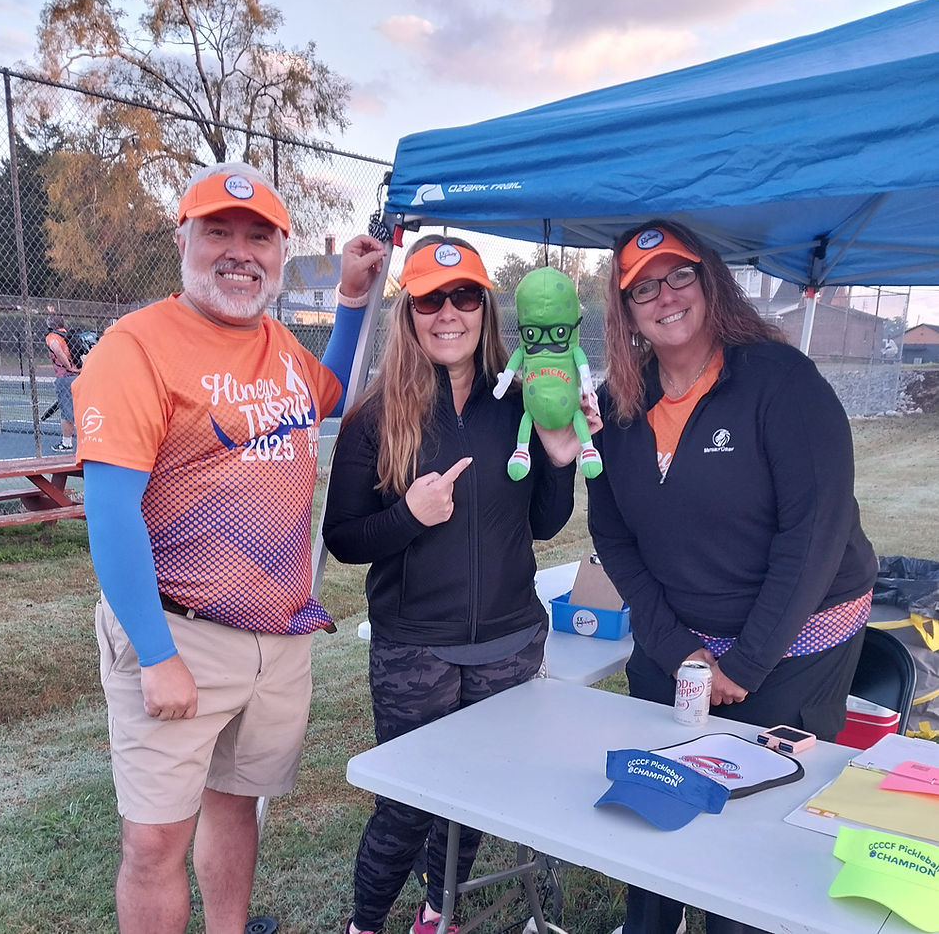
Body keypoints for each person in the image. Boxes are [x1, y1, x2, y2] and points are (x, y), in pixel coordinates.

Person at [72, 160, 386, 934]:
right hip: (179, 629)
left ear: (280, 253)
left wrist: (350, 301)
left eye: (258, 237)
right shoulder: (136, 346)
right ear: (183, 239)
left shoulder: (279, 343)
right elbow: (110, 513)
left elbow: (332, 392)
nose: (239, 252)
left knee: (236, 803)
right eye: (218, 231)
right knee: (153, 839)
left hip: (274, 638)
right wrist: (154, 654)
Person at [588, 221, 878, 934]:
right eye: (642, 287)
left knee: (752, 850)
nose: (665, 296)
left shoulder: (780, 381)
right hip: (679, 644)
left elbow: (814, 531)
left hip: (793, 645)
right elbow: (613, 536)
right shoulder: (617, 405)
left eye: (679, 274)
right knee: (652, 818)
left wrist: (744, 663)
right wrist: (674, 647)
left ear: (710, 279)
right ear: (626, 312)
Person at [322, 236, 596, 934]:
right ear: (409, 312)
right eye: (429, 299)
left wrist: (560, 456)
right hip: (418, 650)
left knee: (473, 796)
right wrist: (409, 517)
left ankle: (437, 909)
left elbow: (543, 521)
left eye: (465, 296)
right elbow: (344, 538)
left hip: (508, 642)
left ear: (486, 308)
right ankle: (364, 924)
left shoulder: (521, 399)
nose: (449, 313)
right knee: (407, 804)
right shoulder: (375, 418)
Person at [45, 312, 80, 452]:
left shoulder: (52, 337)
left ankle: (67, 443)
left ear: (52, 325)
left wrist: (69, 367)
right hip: (80, 375)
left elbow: (57, 351)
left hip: (66, 377)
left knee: (67, 411)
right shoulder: (70, 335)